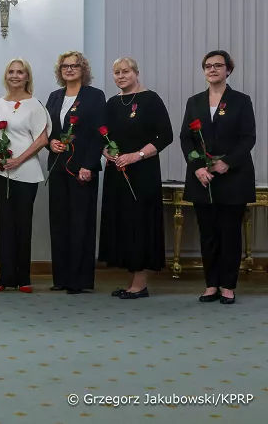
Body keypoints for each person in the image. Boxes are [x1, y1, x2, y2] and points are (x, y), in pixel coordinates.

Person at [179, 50, 255, 305]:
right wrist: (197, 167)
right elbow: (186, 138)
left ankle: (228, 286)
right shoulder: (194, 102)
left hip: (233, 177)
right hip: (203, 178)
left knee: (230, 234)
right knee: (208, 234)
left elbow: (248, 138)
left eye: (218, 65)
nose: (212, 69)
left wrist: (227, 163)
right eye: (208, 66)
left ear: (228, 70)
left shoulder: (241, 101)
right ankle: (211, 284)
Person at [98, 58, 173, 299]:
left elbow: (165, 136)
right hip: (118, 172)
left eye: (126, 71)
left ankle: (140, 284)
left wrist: (137, 155)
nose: (121, 76)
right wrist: (106, 151)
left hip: (143, 172)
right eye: (116, 72)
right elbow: (103, 136)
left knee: (140, 224)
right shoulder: (112, 103)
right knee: (124, 225)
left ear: (136, 73)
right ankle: (132, 281)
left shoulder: (151, 99)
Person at [0, 59, 51, 294]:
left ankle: (23, 278)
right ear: (6, 76)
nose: (15, 75)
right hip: (1, 171)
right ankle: (5, 278)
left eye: (20, 72)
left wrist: (19, 159)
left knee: (23, 224)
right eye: (11, 72)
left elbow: (42, 139)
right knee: (5, 223)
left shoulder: (35, 105)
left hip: (26, 172)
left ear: (27, 77)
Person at [45, 51, 106, 295]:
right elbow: (47, 129)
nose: (69, 69)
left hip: (82, 168)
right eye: (65, 66)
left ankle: (78, 280)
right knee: (59, 222)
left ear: (83, 69)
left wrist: (89, 165)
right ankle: (61, 277)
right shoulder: (54, 96)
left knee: (81, 223)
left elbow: (99, 133)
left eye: (74, 66)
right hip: (58, 166)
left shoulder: (94, 96)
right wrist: (51, 142)